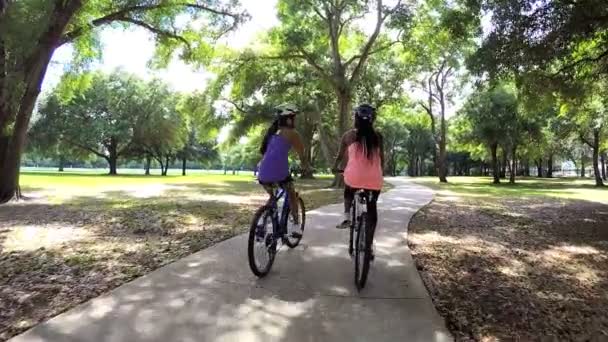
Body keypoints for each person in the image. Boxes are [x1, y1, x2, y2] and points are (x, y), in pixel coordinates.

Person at [332, 104, 384, 233]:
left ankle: (347, 217)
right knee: (372, 207)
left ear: (356, 118)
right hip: (374, 179)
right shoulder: (378, 137)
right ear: (373, 119)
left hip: (354, 177)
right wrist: (381, 170)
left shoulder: (348, 136)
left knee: (348, 191)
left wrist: (334, 167)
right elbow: (382, 158)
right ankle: (369, 246)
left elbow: (339, 157)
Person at [257, 104, 306, 237]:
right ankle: (296, 225)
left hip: (262, 173)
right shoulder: (292, 134)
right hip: (280, 173)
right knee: (291, 194)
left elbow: (265, 154)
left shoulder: (271, 133)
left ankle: (261, 224)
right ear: (289, 120)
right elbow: (302, 154)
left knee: (273, 198)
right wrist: (305, 166)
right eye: (294, 118)